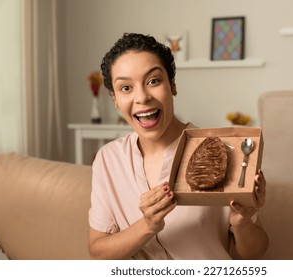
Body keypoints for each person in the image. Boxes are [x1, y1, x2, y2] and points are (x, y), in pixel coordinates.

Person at [88, 33, 268, 260]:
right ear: (115, 99)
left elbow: (256, 253)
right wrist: (147, 226)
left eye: (153, 81)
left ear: (172, 85)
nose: (142, 97)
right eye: (126, 88)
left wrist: (242, 223)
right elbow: (98, 252)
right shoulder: (108, 159)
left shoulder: (222, 150)